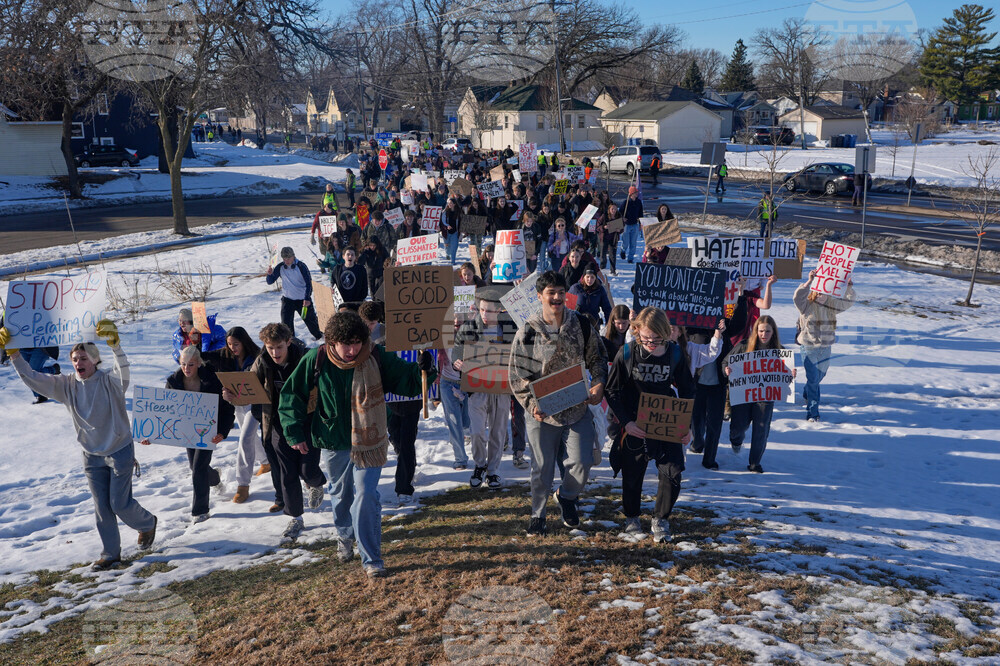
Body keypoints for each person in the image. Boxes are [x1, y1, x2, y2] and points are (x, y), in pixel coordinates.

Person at [278, 311, 435, 578]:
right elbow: (292, 394)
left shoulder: (376, 356)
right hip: (333, 438)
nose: (352, 350)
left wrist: (424, 369)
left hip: (370, 439)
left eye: (357, 342)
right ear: (331, 342)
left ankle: (371, 557)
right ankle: (345, 535)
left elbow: (406, 380)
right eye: (345, 343)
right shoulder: (315, 359)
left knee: (366, 494)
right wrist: (294, 432)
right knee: (341, 494)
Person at [0, 321, 158, 571]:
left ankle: (147, 523)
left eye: (83, 358)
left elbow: (123, 371)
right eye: (74, 359)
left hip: (119, 450)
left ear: (95, 361)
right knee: (102, 508)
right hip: (91, 455)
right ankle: (110, 555)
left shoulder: (111, 382)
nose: (78, 363)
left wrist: (116, 347)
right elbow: (33, 378)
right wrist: (15, 354)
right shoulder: (66, 385)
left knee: (120, 503)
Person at [509, 271, 608, 536]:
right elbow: (518, 375)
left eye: (561, 292)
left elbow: (597, 359)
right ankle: (537, 514)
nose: (557, 298)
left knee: (582, 462)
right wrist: (531, 405)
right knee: (541, 468)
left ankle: (566, 496)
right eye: (550, 293)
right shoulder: (529, 331)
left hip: (577, 408)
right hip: (543, 412)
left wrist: (598, 383)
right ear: (540, 296)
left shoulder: (582, 325)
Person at [605, 307, 694, 542]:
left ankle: (661, 518)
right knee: (633, 472)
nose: (651, 343)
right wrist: (627, 422)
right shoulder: (626, 353)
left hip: (667, 420)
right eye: (646, 338)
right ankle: (632, 516)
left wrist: (687, 426)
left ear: (666, 333)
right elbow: (612, 391)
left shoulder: (675, 354)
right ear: (636, 332)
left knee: (673, 470)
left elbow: (688, 391)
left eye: (656, 339)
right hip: (635, 421)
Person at [237, 323, 327, 540]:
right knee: (287, 474)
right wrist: (235, 395)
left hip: (306, 421)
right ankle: (295, 518)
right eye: (270, 348)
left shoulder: (305, 358)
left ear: (288, 342)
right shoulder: (262, 362)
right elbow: (250, 388)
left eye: (278, 347)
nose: (275, 353)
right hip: (277, 423)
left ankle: (316, 484)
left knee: (307, 469)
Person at [151, 346, 235, 523]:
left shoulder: (212, 380)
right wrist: (150, 435)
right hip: (187, 431)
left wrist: (222, 432)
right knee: (196, 467)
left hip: (208, 431)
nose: (186, 369)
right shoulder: (173, 382)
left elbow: (227, 409)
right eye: (183, 364)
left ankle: (200, 511)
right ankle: (215, 478)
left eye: (190, 364)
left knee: (197, 468)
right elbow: (164, 411)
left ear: (198, 363)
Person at [453, 290, 516, 489]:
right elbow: (457, 347)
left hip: (501, 388)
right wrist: (458, 360)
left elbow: (519, 351)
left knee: (498, 432)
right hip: (477, 387)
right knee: (478, 431)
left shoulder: (509, 329)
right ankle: (479, 465)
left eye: (488, 311)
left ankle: (493, 471)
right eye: (481, 310)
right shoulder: (469, 328)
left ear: (498, 311)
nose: (484, 314)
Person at [722, 315, 797, 473]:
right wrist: (727, 369)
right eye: (761, 331)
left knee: (761, 430)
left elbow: (785, 373)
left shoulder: (779, 351)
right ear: (756, 331)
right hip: (743, 395)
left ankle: (755, 463)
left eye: (768, 331)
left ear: (773, 332)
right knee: (738, 427)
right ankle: (736, 441)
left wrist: (791, 373)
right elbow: (726, 362)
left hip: (765, 396)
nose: (764, 334)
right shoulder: (743, 346)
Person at [203, 327, 266, 503]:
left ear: (244, 342)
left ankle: (243, 484)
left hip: (256, 403)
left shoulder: (257, 357)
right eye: (229, 344)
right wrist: (196, 340)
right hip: (235, 403)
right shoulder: (224, 355)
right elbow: (202, 356)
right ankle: (266, 462)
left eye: (236, 344)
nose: (232, 348)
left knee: (245, 438)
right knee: (249, 437)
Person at [794, 269, 855, 422]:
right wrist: (809, 281)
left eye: (825, 292)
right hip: (809, 347)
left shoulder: (832, 305)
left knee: (819, 377)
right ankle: (813, 413)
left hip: (826, 348)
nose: (821, 295)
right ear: (814, 291)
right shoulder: (806, 305)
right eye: (819, 292)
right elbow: (797, 296)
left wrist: (848, 288)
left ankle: (808, 392)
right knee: (814, 379)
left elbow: (848, 302)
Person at [677, 319, 725, 470]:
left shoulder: (724, 327)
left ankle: (710, 459)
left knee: (714, 424)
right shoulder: (690, 335)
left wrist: (741, 299)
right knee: (696, 421)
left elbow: (713, 351)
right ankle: (695, 445)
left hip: (718, 384)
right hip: (695, 385)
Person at [265, 247, 322, 341]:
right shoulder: (280, 267)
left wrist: (307, 298)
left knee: (310, 321)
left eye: (288, 258)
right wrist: (269, 274)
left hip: (302, 301)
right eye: (284, 259)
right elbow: (270, 281)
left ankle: (320, 338)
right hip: (287, 300)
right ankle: (291, 343)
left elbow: (309, 283)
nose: (286, 261)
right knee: (286, 325)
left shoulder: (301, 266)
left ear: (293, 256)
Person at [619, 186, 643, 263]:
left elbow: (640, 213)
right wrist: (622, 218)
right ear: (631, 194)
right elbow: (619, 213)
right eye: (635, 192)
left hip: (635, 224)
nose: (637, 194)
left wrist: (640, 223)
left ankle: (630, 258)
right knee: (625, 242)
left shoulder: (638, 202)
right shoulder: (625, 202)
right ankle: (623, 250)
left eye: (637, 192)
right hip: (627, 225)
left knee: (633, 243)